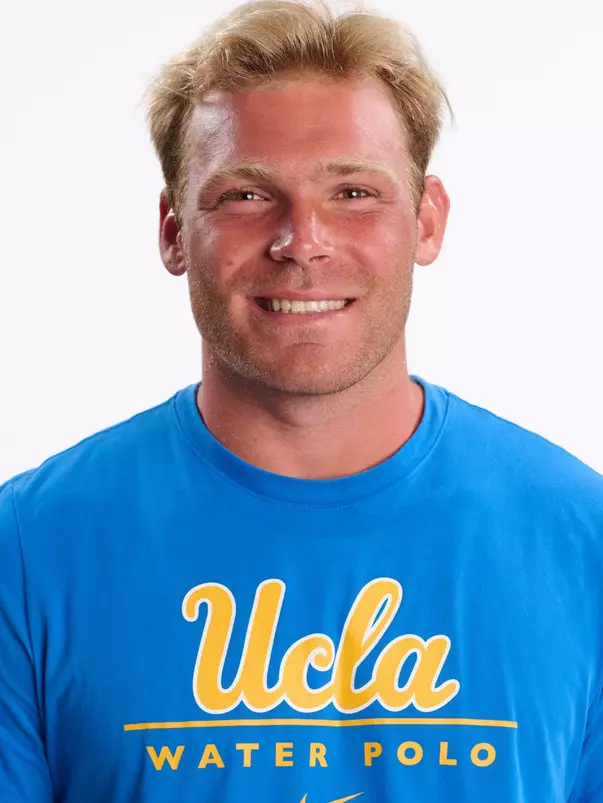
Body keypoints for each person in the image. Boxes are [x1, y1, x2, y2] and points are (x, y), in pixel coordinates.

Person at [1, 1, 602, 801]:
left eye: (353, 192)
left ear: (426, 220)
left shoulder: (580, 542)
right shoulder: (26, 552)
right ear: (175, 230)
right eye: (246, 195)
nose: (302, 240)